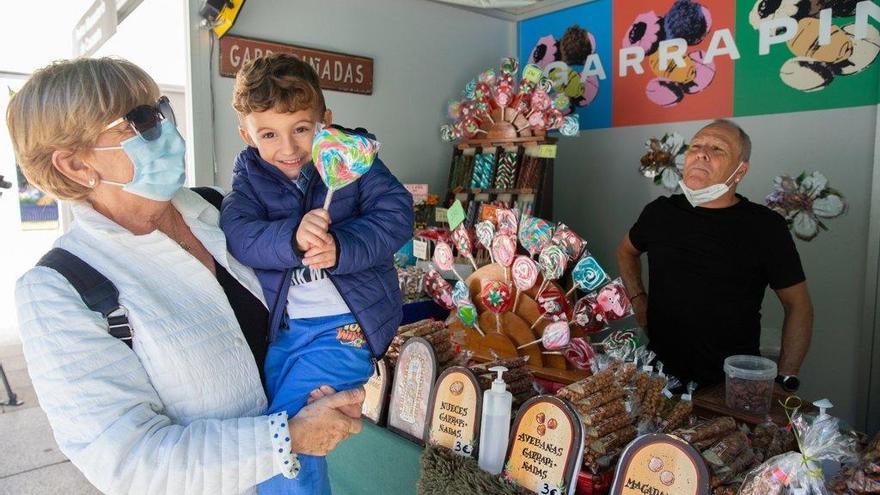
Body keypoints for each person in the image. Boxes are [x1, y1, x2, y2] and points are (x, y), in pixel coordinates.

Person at [9, 57, 365, 495]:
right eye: (139, 123)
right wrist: (289, 437)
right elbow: (127, 461)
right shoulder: (59, 288)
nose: (166, 131)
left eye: (159, 111)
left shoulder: (217, 208)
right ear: (77, 166)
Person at [220, 53, 413, 494]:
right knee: (272, 418)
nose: (287, 149)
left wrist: (342, 245)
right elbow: (239, 233)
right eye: (268, 134)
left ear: (325, 120)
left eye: (302, 129)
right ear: (246, 134)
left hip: (346, 330)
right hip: (286, 333)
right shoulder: (249, 179)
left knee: (289, 432)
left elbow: (396, 214)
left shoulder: (354, 160)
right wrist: (291, 238)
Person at [616, 119, 813, 389]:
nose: (701, 153)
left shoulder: (765, 227)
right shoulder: (660, 212)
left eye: (718, 149)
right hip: (659, 378)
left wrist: (786, 378)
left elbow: (798, 306)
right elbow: (626, 251)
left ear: (740, 171)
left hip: (731, 385)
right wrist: (639, 302)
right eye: (696, 145)